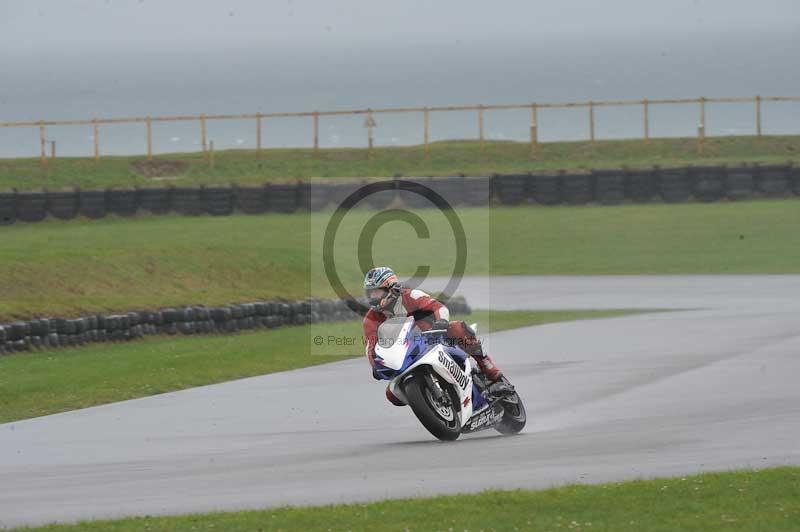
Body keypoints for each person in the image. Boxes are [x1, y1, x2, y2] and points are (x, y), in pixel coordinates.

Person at [362, 266, 503, 406]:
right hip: (406, 353)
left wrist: (441, 322)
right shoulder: (370, 319)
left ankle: (489, 369)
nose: (373, 297)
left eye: (377, 292)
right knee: (392, 394)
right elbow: (371, 347)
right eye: (370, 294)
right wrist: (375, 366)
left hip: (434, 338)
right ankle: (428, 401)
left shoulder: (411, 296)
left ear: (391, 288)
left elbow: (438, 307)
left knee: (457, 328)